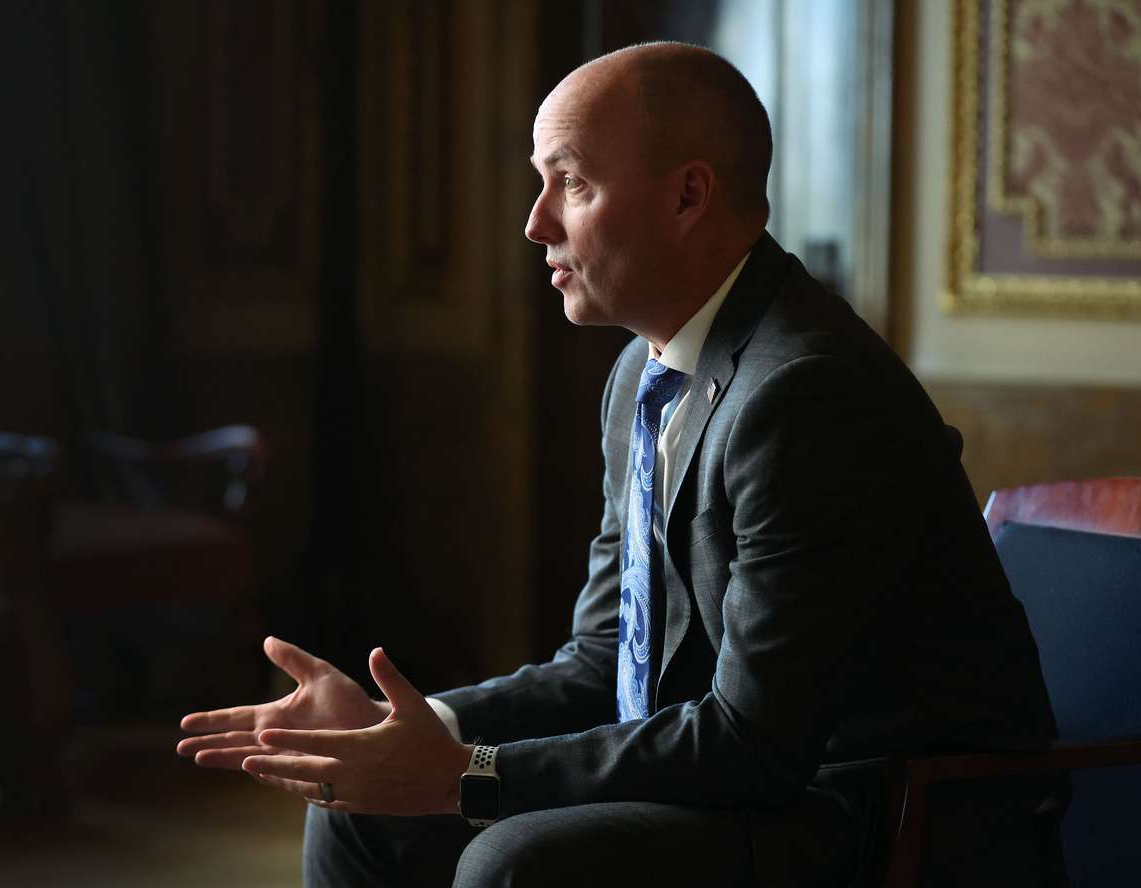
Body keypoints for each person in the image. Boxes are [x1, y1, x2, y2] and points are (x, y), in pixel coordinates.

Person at [178, 42, 1063, 887]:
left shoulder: (807, 392)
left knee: (512, 859)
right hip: (766, 780)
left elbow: (755, 743)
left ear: (687, 197)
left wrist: (464, 774)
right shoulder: (644, 370)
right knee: (357, 810)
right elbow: (608, 656)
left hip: (879, 813)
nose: (535, 223)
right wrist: (409, 734)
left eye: (572, 182)